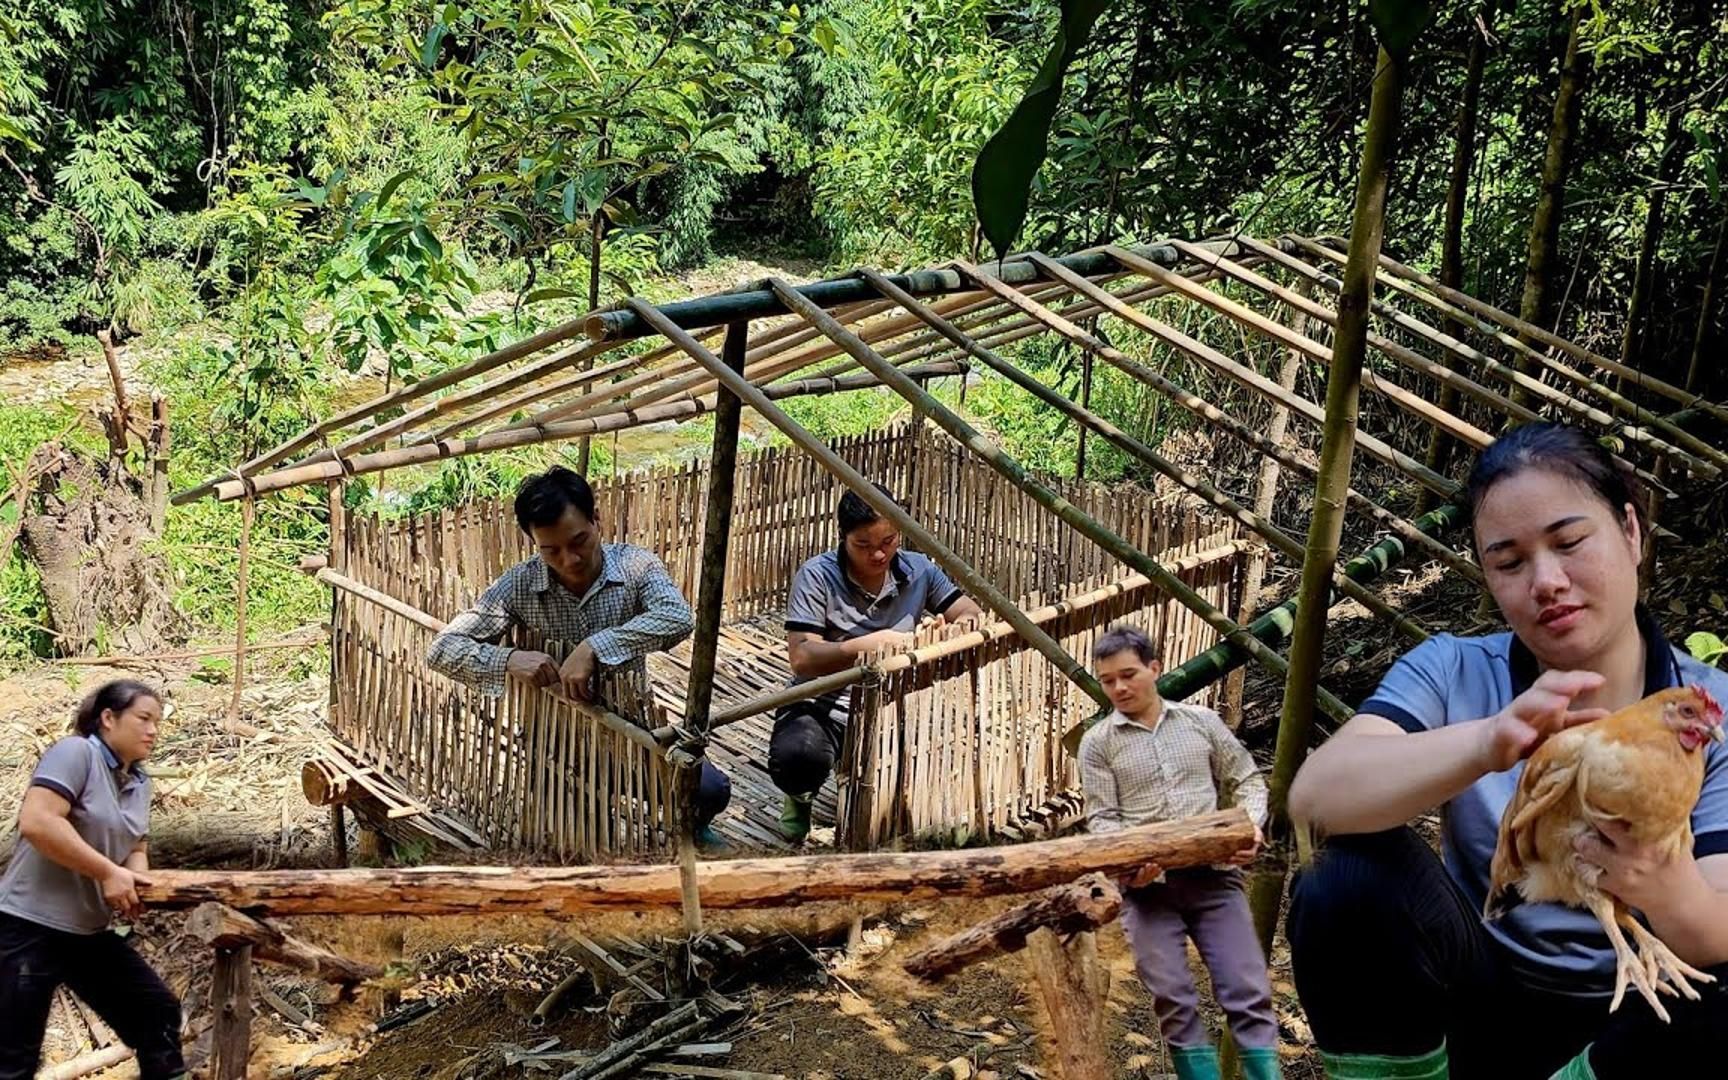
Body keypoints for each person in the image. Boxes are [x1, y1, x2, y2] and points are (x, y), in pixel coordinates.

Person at [1285, 422, 1728, 1080]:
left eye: (1570, 541)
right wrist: (1489, 741)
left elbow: (1716, 934)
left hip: (1639, 1027)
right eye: (1509, 562)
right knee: (1342, 879)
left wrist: (1656, 884)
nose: (1546, 580)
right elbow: (1316, 797)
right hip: (1483, 998)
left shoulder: (1709, 711)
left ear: (1631, 533)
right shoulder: (1453, 670)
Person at [427, 466, 732, 848]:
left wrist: (594, 646)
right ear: (532, 542)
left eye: (579, 541)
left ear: (596, 520)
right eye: (550, 550)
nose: (570, 559)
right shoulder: (518, 585)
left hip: (630, 732)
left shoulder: (636, 566)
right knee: (571, 841)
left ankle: (693, 828)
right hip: (555, 743)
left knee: (710, 791)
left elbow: (678, 618)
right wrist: (507, 660)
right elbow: (442, 649)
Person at [1078, 625, 1280, 1080]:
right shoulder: (1098, 744)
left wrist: (1248, 827)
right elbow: (1103, 818)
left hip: (1215, 878)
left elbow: (1246, 779)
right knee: (1172, 998)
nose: (1119, 687)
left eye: (1128, 675)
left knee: (1246, 992)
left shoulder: (1201, 723)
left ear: (1155, 668)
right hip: (1146, 890)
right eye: (1107, 680)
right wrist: (1130, 863)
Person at [771, 483, 983, 843]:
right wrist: (863, 647)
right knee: (798, 757)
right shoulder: (817, 575)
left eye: (889, 541)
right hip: (826, 699)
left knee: (941, 762)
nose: (880, 555)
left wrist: (948, 628)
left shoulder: (919, 570)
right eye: (864, 545)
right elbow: (802, 657)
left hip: (900, 703)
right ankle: (799, 796)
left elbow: (970, 612)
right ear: (842, 538)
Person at [0, 680, 185, 1080]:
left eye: (158, 721)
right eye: (144, 718)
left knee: (157, 1013)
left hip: (87, 934)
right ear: (107, 718)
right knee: (13, 1058)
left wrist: (137, 879)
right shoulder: (75, 753)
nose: (153, 730)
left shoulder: (138, 782)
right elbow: (37, 821)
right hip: (27, 927)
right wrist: (106, 872)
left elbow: (135, 844)